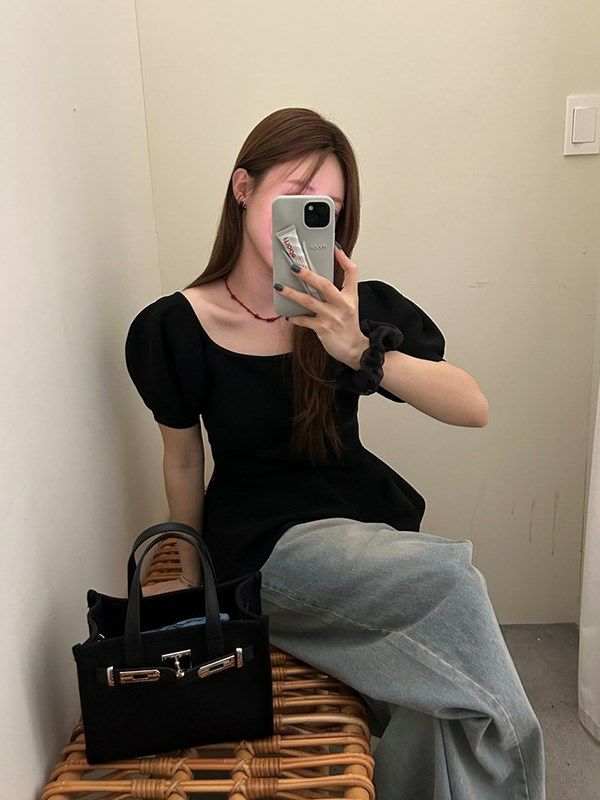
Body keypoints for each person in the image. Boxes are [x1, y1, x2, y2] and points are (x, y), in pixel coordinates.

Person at [124, 107, 546, 799]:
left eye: (327, 208)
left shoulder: (354, 312)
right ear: (242, 189)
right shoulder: (175, 326)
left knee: (433, 706)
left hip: (367, 539)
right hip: (265, 548)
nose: (309, 219)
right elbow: (183, 460)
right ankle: (517, 754)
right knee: (454, 585)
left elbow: (473, 407)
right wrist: (191, 575)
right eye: (296, 196)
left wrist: (358, 350)